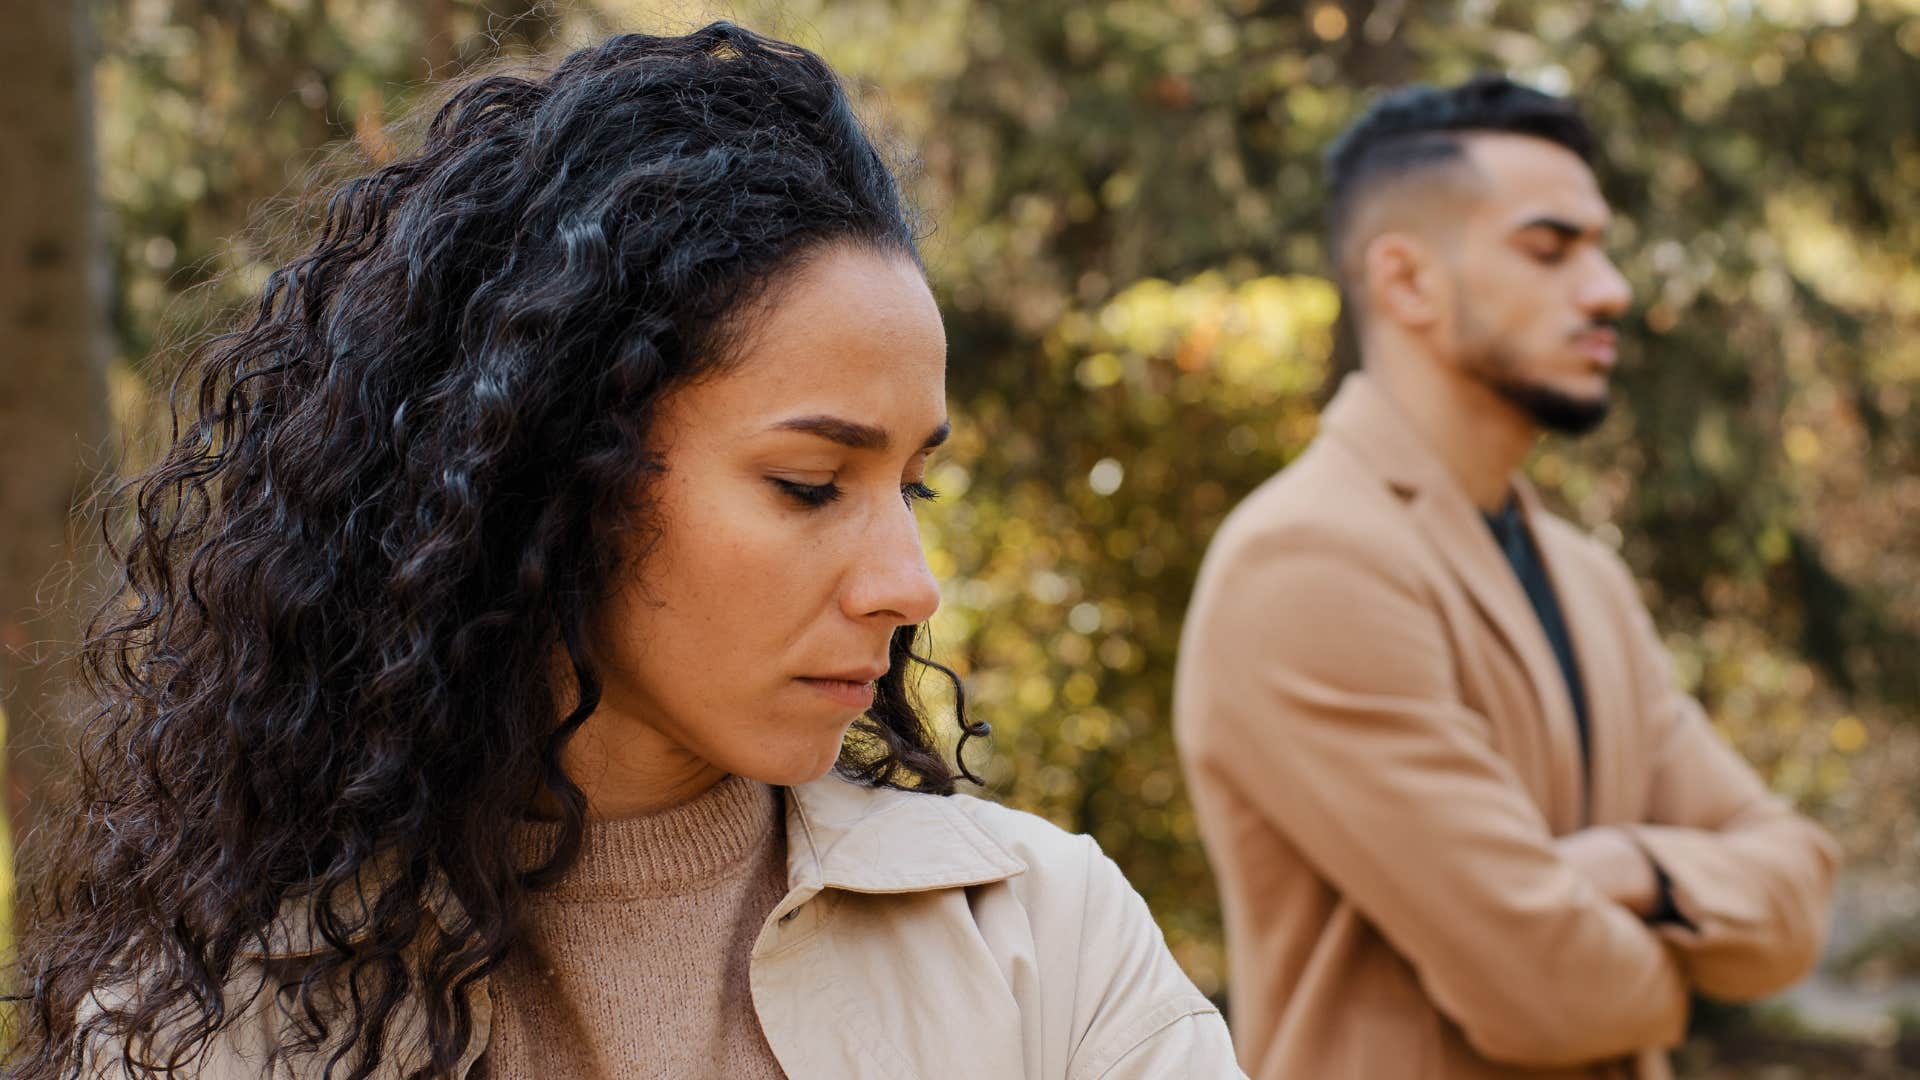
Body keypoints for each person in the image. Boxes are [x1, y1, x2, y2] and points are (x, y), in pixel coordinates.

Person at [9, 25, 1241, 1080]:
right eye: (811, 485)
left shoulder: (1045, 944)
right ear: (551, 470)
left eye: (910, 486)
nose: (908, 584)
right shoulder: (222, 1024)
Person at [1174, 75, 1837, 1080]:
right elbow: (1551, 995)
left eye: (1601, 246)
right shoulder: (1308, 560)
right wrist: (1686, 963)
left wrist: (1633, 870)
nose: (1609, 288)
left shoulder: (1584, 576)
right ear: (1406, 282)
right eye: (1550, 247)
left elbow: (1798, 886)